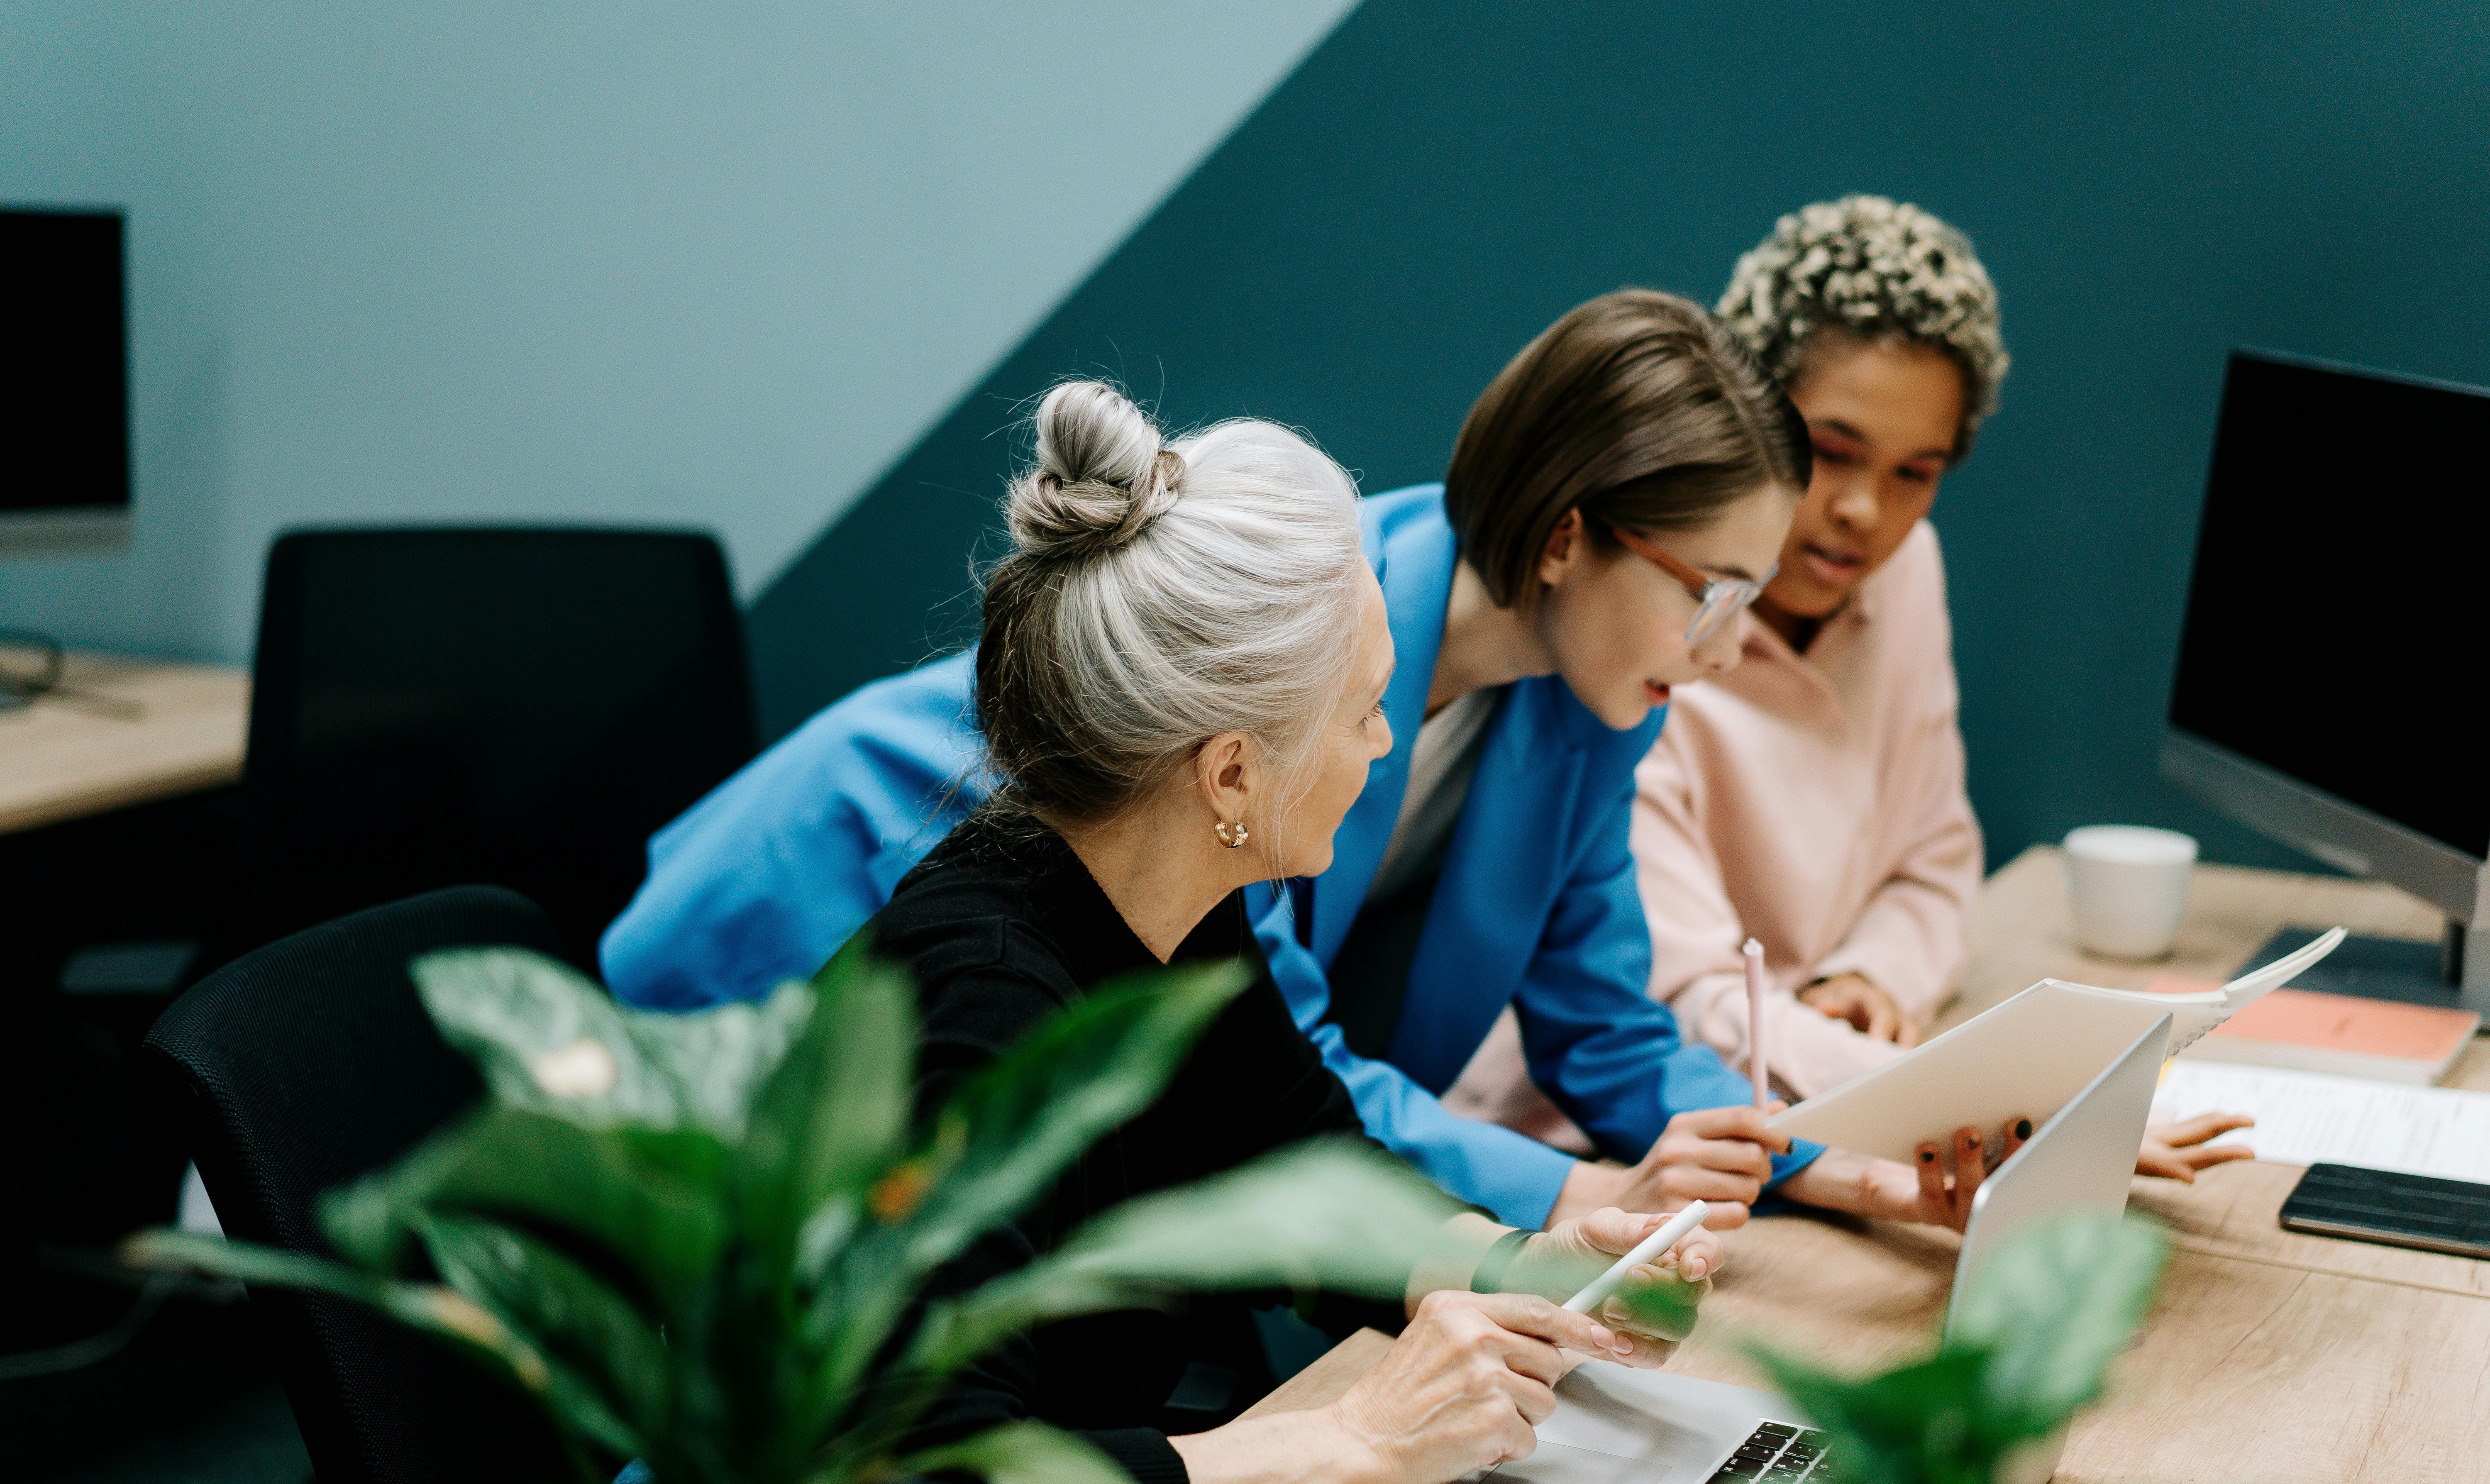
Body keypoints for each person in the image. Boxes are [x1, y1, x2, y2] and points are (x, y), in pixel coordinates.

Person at [605, 291, 2010, 1231]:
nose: (1724, 649)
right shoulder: (1297, 686)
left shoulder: (1595, 705)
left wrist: (1846, 1172)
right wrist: (1573, 1202)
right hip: (828, 900)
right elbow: (1301, 1062)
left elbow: (1608, 1028)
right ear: (1572, 535)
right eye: (1712, 591)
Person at [879, 381, 1724, 1484]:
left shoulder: (1182, 913)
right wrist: (1349, 1439)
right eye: (1366, 710)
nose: (1384, 747)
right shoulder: (982, 1014)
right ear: (1231, 770)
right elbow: (916, 1462)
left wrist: (1535, 1268)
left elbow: (1310, 1171)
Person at [1449, 197, 2250, 1178]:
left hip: (1805, 1101)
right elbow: (1677, 1006)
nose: (1865, 514)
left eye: (1917, 473)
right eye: (1831, 454)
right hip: (1601, 1140)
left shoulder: (1907, 577)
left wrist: (1868, 974)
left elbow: (1935, 853)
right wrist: (1991, 1103)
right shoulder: (1630, 638)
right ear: (1748, 421)